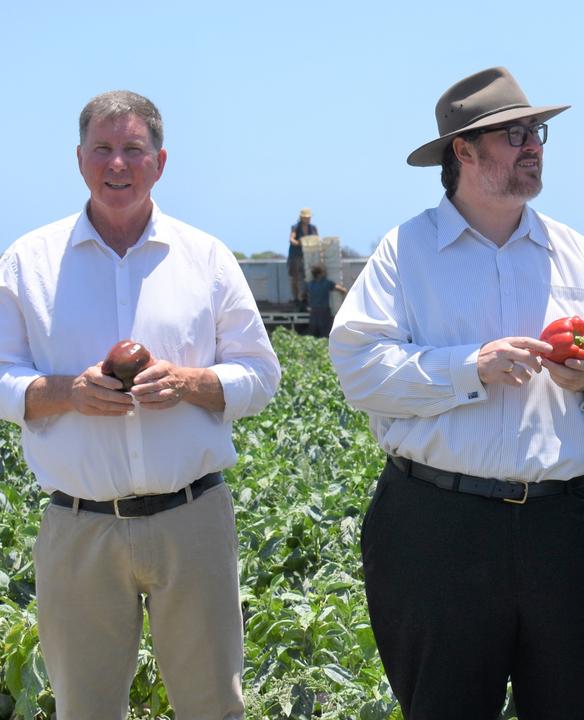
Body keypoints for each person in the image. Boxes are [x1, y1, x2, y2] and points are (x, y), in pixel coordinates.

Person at [328, 67, 584, 720]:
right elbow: (358, 368)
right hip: (438, 531)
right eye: (514, 134)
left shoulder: (576, 254)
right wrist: (470, 368)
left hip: (572, 529)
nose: (533, 144)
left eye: (536, 131)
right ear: (464, 151)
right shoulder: (406, 254)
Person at [0, 91, 280, 718]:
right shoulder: (27, 264)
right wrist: (66, 391)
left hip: (193, 519)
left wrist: (190, 382)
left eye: (133, 149)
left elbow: (261, 374)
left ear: (160, 161)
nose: (117, 163)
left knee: (213, 705)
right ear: (79, 160)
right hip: (79, 526)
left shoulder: (205, 258)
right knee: (86, 708)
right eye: (102, 149)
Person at [304, 263, 347, 338]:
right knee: (325, 332)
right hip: (324, 311)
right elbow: (342, 290)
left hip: (313, 311)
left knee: (313, 333)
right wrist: (344, 290)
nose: (325, 273)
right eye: (323, 272)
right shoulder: (326, 283)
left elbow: (302, 295)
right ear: (319, 274)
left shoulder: (310, 284)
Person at [288, 207, 317, 307]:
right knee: (295, 277)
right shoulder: (295, 227)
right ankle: (296, 299)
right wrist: (300, 243)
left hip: (309, 256)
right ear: (301, 218)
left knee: (308, 277)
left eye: (309, 217)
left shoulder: (313, 228)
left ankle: (306, 298)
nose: (308, 219)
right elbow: (291, 239)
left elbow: (317, 239)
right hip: (296, 256)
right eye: (306, 217)